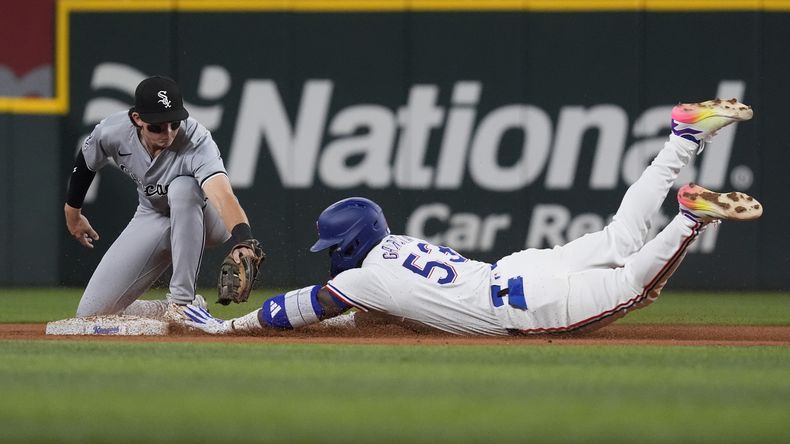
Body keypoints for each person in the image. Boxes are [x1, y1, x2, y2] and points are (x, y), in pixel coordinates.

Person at [184, 98, 762, 336]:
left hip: (527, 305)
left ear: (350, 244)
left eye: (333, 249)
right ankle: (683, 138)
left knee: (635, 285)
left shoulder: (362, 278)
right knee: (621, 235)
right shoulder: (397, 249)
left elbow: (300, 306)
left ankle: (690, 219)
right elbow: (379, 309)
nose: (331, 259)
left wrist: (230, 327)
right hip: (522, 270)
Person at [64, 75, 260, 320]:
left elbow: (223, 195)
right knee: (91, 313)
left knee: (183, 187)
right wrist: (73, 212)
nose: (167, 133)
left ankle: (183, 303)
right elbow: (86, 161)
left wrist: (244, 240)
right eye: (157, 126)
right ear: (137, 119)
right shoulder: (113, 131)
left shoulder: (197, 140)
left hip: (207, 217)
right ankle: (175, 308)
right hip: (154, 214)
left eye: (174, 124)